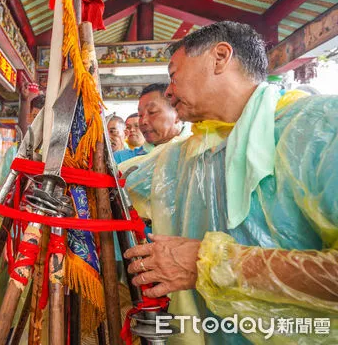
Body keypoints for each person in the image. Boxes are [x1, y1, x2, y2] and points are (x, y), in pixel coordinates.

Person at [123, 21, 338, 344]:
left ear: (220, 57)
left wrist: (213, 265)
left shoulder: (318, 128)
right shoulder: (188, 154)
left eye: (173, 74)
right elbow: (119, 182)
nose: (168, 91)